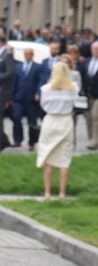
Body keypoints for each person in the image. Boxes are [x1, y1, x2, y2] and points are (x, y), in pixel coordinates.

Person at [37, 62, 79, 200]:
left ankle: (47, 192)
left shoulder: (45, 89)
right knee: (64, 158)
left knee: (47, 155)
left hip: (50, 120)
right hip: (66, 120)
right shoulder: (73, 89)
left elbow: (43, 106)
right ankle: (62, 193)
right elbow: (74, 103)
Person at [12, 48, 42, 151]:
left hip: (31, 98)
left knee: (32, 121)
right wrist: (12, 96)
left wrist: (38, 92)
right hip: (19, 97)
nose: (27, 56)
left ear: (32, 55)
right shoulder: (18, 67)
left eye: (29, 54)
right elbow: (14, 82)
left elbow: (40, 81)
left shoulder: (37, 67)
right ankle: (17, 139)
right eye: (26, 54)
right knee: (16, 117)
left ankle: (32, 142)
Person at [79, 41, 98, 149]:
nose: (95, 51)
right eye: (94, 49)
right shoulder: (86, 62)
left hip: (97, 95)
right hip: (87, 94)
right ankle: (91, 138)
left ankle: (94, 141)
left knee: (96, 117)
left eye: (97, 49)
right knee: (88, 118)